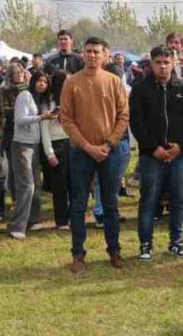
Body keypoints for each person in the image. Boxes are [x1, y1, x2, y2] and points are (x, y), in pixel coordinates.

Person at [59, 36, 130, 275]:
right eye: (88, 51)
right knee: (78, 204)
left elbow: (123, 116)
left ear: (105, 55)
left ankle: (114, 251)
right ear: (82, 54)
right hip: (81, 152)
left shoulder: (113, 81)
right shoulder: (72, 83)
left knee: (110, 203)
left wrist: (109, 145)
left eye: (96, 52)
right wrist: (88, 147)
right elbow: (66, 119)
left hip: (110, 152)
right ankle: (78, 254)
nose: (91, 55)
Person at [130, 46, 183, 262]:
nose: (162, 66)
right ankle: (145, 244)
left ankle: (176, 242)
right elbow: (136, 123)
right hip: (152, 156)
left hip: (178, 155)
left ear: (174, 63)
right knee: (149, 199)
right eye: (158, 62)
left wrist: (182, 146)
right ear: (151, 64)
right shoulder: (140, 89)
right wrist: (153, 148)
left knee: (179, 199)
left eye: (167, 62)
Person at [11, 72, 49, 240]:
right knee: (26, 186)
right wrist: (42, 117)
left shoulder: (39, 99)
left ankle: (32, 220)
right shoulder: (24, 95)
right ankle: (18, 225)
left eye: (45, 82)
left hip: (35, 145)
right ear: (32, 81)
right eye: (39, 81)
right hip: (22, 145)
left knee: (36, 185)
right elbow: (19, 119)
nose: (42, 84)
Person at [39, 71, 71, 230]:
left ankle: (73, 216)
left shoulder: (73, 101)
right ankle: (62, 220)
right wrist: (49, 153)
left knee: (74, 184)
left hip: (73, 144)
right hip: (56, 146)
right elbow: (44, 132)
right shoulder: (48, 104)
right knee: (60, 187)